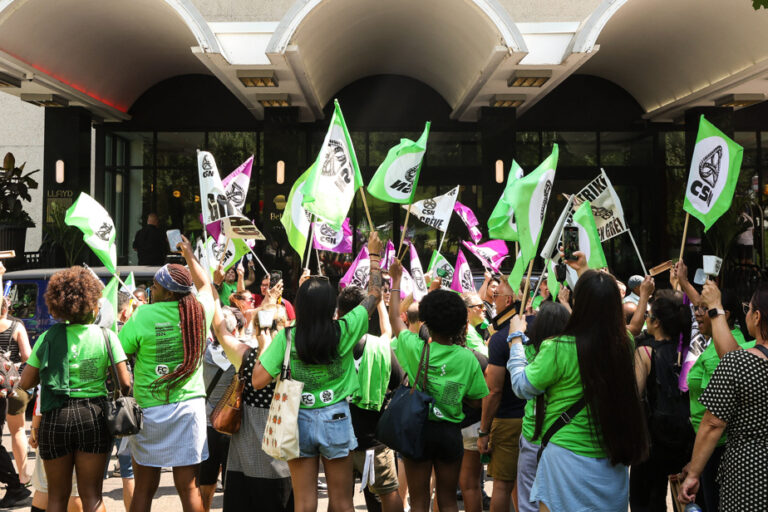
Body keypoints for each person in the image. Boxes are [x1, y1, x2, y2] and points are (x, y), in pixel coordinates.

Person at [252, 231, 384, 512]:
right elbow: (374, 294)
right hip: (336, 416)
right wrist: (374, 255)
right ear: (332, 306)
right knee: (342, 502)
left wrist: (268, 344)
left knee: (305, 503)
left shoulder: (286, 338)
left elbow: (258, 380)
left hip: (296, 419)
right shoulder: (346, 329)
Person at [506, 253, 649, 512]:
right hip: (611, 460)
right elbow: (599, 304)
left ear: (578, 303)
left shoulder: (557, 348)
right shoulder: (624, 343)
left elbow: (522, 386)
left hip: (565, 462)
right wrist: (585, 271)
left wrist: (516, 338)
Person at [18, 266, 132, 512]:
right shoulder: (107, 336)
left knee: (57, 497)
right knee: (92, 495)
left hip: (55, 416)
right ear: (91, 304)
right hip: (95, 416)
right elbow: (124, 384)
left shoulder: (48, 337)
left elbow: (25, 383)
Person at [118, 236, 214, 512]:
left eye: (156, 286)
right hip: (189, 410)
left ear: (170, 293)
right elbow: (206, 285)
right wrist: (190, 257)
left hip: (150, 411)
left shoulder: (142, 316)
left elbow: (118, 353)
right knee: (189, 488)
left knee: (145, 489)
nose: (151, 289)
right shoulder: (199, 312)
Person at [388, 259, 489, 512]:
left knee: (420, 500)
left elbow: (394, 320)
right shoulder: (467, 358)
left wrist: (397, 281)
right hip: (449, 433)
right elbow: (477, 400)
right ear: (460, 323)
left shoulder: (414, 347)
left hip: (418, 430)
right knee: (446, 499)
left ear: (426, 322)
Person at [678, 281, 768, 511]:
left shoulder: (740, 363)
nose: (745, 313)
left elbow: (713, 423)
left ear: (757, 317)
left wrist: (694, 473)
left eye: (748, 309)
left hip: (750, 471)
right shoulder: (740, 361)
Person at [212, 282, 293, 512]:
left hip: (244, 455)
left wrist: (213, 292)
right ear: (286, 326)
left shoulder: (245, 357)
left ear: (256, 329)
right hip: (281, 456)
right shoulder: (294, 361)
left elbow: (220, 329)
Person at [337, 286, 404, 512]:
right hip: (373, 439)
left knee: (340, 499)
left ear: (339, 312)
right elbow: (397, 381)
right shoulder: (381, 346)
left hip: (337, 439)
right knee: (388, 493)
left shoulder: (329, 346)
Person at [630, 291, 695, 512]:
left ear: (656, 323)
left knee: (647, 501)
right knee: (683, 501)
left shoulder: (645, 352)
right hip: (684, 440)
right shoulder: (687, 352)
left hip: (651, 442)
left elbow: (635, 395)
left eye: (648, 316)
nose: (646, 320)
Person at [476, 277, 527, 512]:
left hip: (507, 420)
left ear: (508, 300)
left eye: (496, 297)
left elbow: (494, 389)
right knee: (530, 483)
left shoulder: (499, 338)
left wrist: (484, 431)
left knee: (502, 485)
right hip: (537, 418)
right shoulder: (538, 329)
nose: (492, 301)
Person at [515, 302, 570, 512]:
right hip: (561, 439)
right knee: (558, 500)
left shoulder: (526, 351)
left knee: (529, 500)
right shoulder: (574, 353)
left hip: (535, 437)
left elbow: (521, 385)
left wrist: (516, 338)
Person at [199, 307, 239, 512]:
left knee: (205, 477)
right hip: (232, 424)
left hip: (207, 424)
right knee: (231, 480)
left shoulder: (203, 353)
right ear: (234, 331)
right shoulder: (240, 354)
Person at [0, 261, 33, 486]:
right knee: (18, 432)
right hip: (12, 386)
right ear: (7, 307)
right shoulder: (16, 325)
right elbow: (27, 356)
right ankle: (23, 476)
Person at [28, 388, 84, 512]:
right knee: (75, 488)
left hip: (52, 424)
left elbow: (41, 397)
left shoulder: (53, 368)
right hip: (88, 420)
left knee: (46, 485)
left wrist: (34, 429)